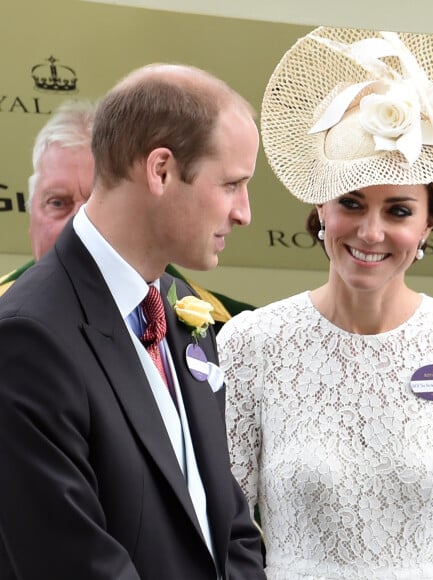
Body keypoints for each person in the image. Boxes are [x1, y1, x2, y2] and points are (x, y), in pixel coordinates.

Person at [217, 27, 433, 579]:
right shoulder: (249, 343)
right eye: (352, 203)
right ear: (322, 210)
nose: (371, 232)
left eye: (399, 211)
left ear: (430, 221)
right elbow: (221, 535)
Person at [0, 63, 266, 579]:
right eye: (232, 184)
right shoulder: (27, 337)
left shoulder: (185, 311)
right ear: (160, 170)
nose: (244, 213)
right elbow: (70, 563)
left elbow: (229, 526)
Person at [0, 99, 255, 329]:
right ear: (32, 217)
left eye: (97, 203)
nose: (77, 225)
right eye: (57, 203)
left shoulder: (232, 330)